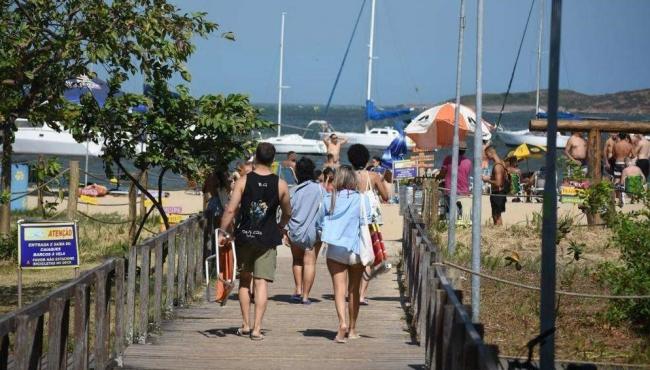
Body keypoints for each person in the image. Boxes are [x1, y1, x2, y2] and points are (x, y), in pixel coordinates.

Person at [219, 143, 292, 341]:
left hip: (245, 237)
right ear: (273, 160)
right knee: (261, 283)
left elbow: (231, 209)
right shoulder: (281, 184)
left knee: (244, 280)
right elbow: (287, 212)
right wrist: (280, 226)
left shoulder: (243, 181)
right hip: (267, 238)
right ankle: (257, 328)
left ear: (256, 158)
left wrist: (221, 232)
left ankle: (245, 324)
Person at [320, 165, 372, 343]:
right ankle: (353, 329)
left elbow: (320, 222)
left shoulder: (329, 198)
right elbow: (368, 220)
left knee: (338, 289)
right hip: (356, 249)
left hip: (335, 249)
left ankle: (341, 322)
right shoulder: (361, 199)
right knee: (354, 290)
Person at [347, 144, 389, 306]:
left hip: (351, 220)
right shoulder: (374, 177)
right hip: (370, 222)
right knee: (368, 257)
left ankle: (351, 290)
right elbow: (386, 196)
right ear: (366, 159)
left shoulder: (347, 176)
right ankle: (362, 295)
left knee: (352, 254)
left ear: (350, 159)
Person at [287, 157, 323, 305]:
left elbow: (287, 211)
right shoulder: (319, 189)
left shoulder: (293, 191)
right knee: (310, 263)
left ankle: (298, 289)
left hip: (295, 230)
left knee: (297, 260)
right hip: (313, 232)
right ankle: (306, 296)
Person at [438, 141, 472, 218]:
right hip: (464, 191)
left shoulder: (449, 159)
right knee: (462, 214)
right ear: (465, 151)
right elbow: (464, 175)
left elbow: (442, 174)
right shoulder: (468, 162)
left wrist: (438, 177)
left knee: (449, 212)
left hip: (450, 190)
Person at [482, 145, 507, 225]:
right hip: (500, 193)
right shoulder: (502, 163)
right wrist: (490, 177)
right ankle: (499, 232)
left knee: (496, 216)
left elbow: (498, 183)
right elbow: (499, 178)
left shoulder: (497, 166)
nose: (486, 156)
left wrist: (487, 180)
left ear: (490, 153)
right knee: (496, 215)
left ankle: (499, 232)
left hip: (497, 193)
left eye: (486, 154)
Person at [612, 133, 634, 203]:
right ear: (625, 137)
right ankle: (628, 196)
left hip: (618, 162)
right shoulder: (629, 145)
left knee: (617, 180)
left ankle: (615, 197)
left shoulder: (616, 144)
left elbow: (614, 155)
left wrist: (618, 157)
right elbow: (633, 155)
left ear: (619, 137)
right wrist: (628, 157)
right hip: (626, 164)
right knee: (627, 179)